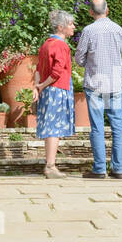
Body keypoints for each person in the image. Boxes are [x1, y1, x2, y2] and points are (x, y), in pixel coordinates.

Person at [74, 0, 122, 179]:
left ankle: (99, 169)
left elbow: (79, 59)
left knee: (97, 127)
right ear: (108, 9)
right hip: (114, 83)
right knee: (117, 126)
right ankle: (118, 168)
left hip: (95, 85)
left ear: (90, 12)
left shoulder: (88, 31)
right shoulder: (118, 29)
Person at [32, 10, 76, 178]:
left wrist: (37, 87)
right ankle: (50, 166)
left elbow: (38, 69)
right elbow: (57, 72)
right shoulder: (61, 45)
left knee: (51, 127)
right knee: (54, 128)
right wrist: (41, 85)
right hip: (57, 89)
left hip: (49, 90)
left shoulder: (46, 44)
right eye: (70, 24)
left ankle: (50, 164)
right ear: (60, 27)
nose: (73, 27)